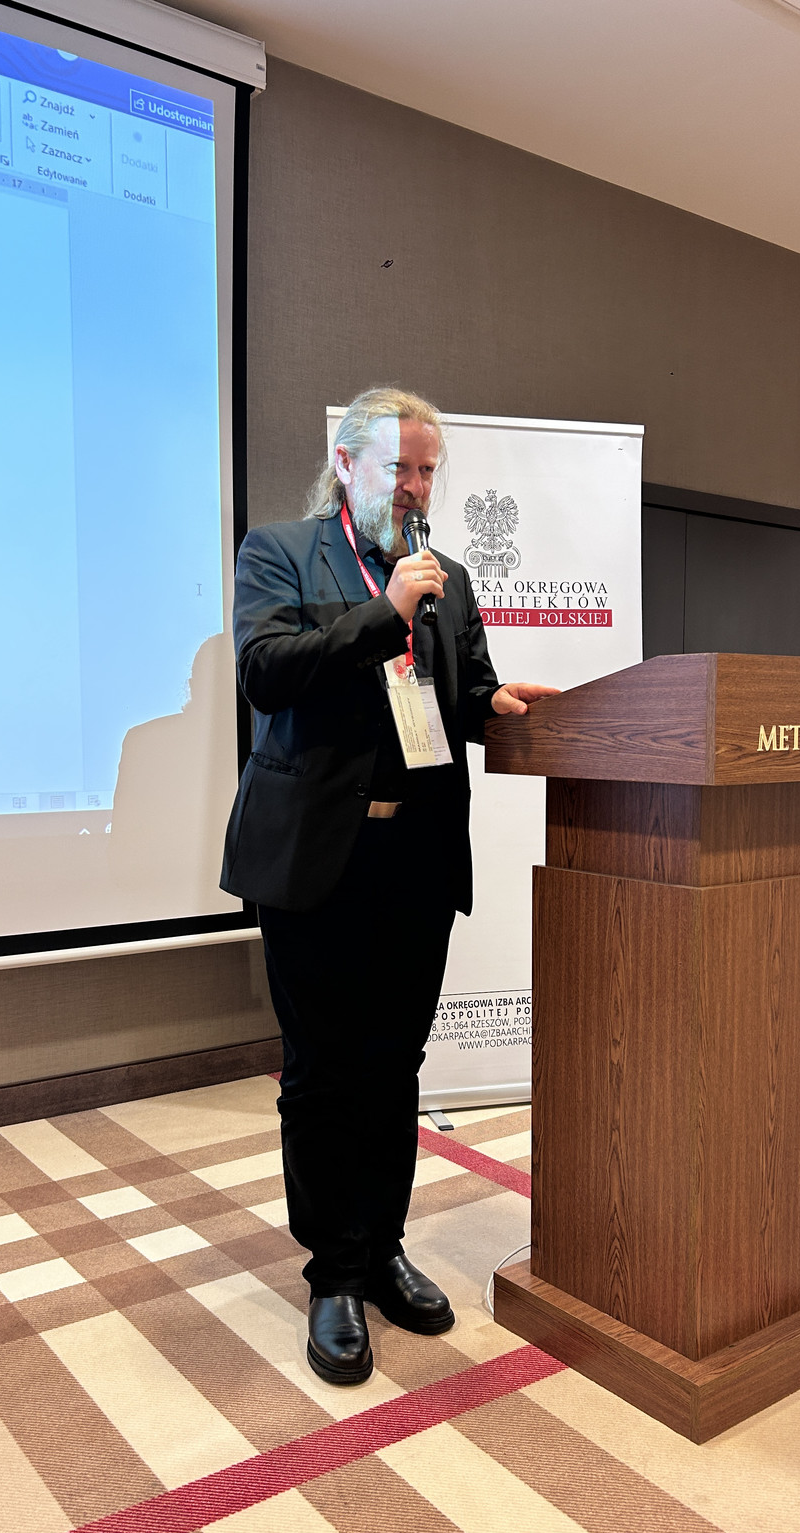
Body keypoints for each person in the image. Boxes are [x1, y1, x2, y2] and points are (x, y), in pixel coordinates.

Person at [221, 387, 558, 1385]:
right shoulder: (280, 553)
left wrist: (496, 700)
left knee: (394, 1064)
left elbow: (460, 692)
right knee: (323, 1071)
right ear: (346, 464)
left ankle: (382, 1247)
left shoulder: (449, 577)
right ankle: (333, 1273)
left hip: (414, 858)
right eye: (398, 467)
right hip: (316, 861)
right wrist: (387, 613)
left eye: (426, 471)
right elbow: (268, 672)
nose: (415, 487)